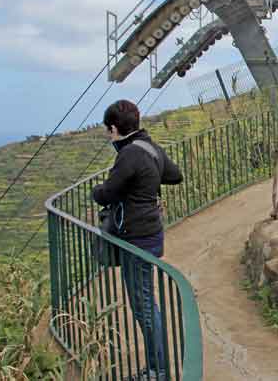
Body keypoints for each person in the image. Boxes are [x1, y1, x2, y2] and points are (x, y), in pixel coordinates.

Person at [92, 100, 183, 381]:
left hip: (137, 238)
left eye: (109, 131)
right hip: (151, 233)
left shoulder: (130, 154)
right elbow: (175, 175)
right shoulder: (150, 147)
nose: (109, 136)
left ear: (115, 128)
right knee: (145, 301)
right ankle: (158, 367)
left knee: (143, 305)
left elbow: (107, 192)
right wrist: (146, 185)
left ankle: (159, 370)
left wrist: (96, 191)